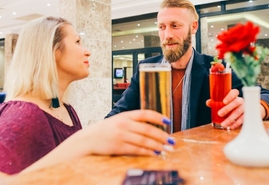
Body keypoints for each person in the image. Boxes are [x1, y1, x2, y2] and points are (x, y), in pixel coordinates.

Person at [0, 16, 175, 176]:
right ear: (53, 51)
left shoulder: (67, 110)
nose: (87, 52)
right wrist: (86, 141)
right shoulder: (23, 115)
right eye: (77, 42)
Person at [106, 0, 269, 132]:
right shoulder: (147, 69)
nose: (167, 34)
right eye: (162, 27)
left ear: (194, 27)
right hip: (156, 159)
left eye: (175, 26)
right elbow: (117, 114)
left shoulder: (215, 68)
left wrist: (257, 108)